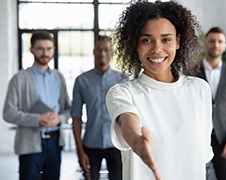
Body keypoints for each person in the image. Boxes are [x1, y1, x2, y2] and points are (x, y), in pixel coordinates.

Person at [105, 1, 213, 180]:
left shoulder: (200, 89)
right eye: (146, 40)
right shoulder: (122, 93)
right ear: (135, 45)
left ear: (177, 42)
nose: (157, 49)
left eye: (166, 39)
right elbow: (128, 122)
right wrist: (137, 141)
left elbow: (202, 154)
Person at [2, 31, 71, 180]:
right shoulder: (19, 79)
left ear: (53, 50)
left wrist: (59, 119)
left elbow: (69, 109)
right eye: (40, 48)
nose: (45, 53)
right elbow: (8, 113)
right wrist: (37, 119)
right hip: (30, 143)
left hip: (55, 142)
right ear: (31, 49)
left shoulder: (59, 77)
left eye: (49, 48)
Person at [71, 36, 127, 180]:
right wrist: (80, 151)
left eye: (106, 50)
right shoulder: (81, 81)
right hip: (91, 145)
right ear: (94, 52)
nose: (103, 53)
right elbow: (76, 116)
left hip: (117, 144)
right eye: (99, 49)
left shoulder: (123, 80)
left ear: (112, 53)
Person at [195, 27, 226, 180]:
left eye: (220, 42)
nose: (216, 45)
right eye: (212, 41)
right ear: (205, 43)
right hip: (199, 138)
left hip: (224, 139)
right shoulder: (192, 72)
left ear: (225, 46)